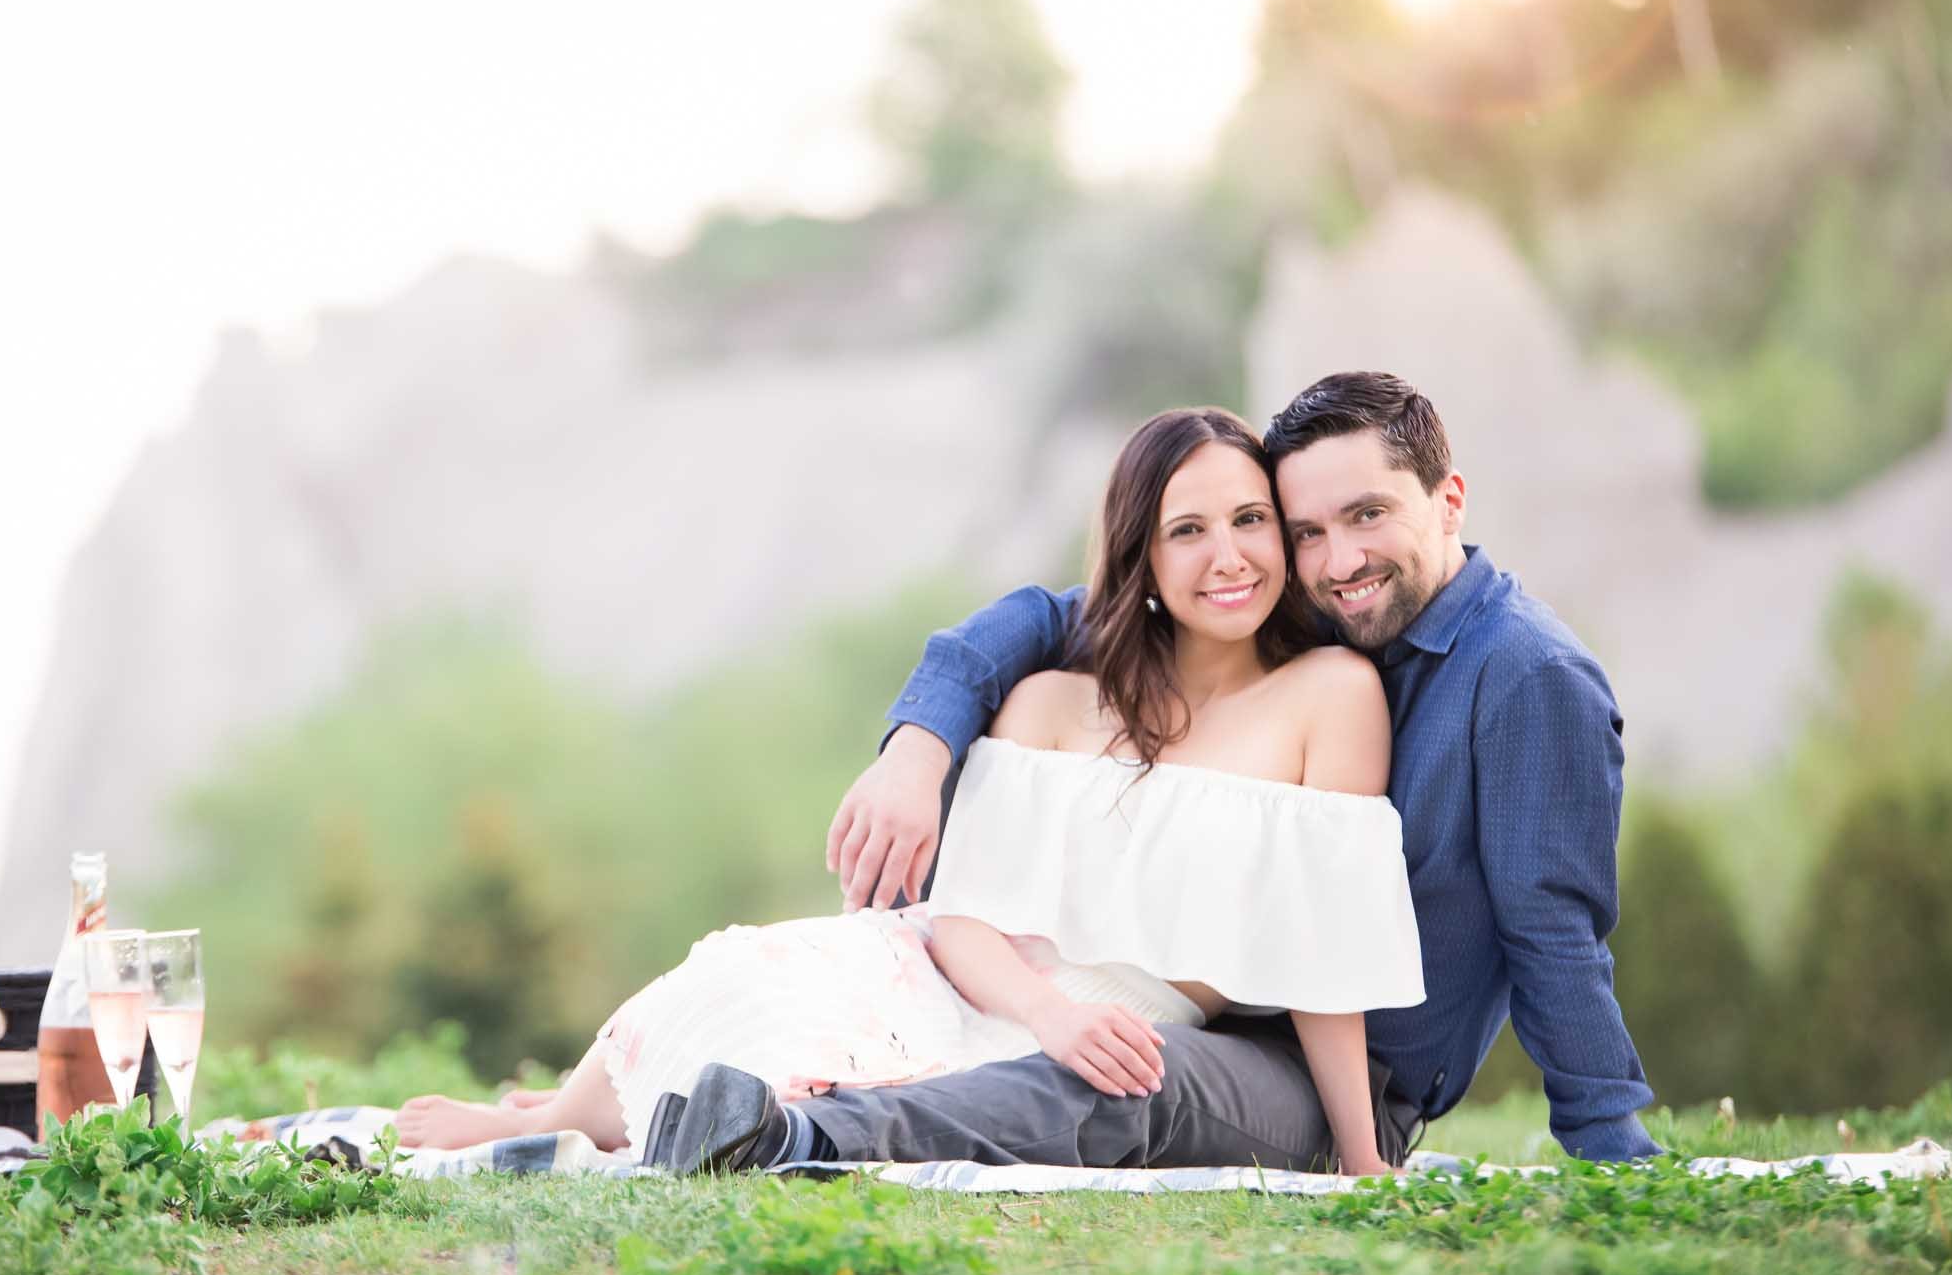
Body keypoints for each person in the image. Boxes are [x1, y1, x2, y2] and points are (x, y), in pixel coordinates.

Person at [394, 405, 1425, 1174]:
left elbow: (1320, 947)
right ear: (1142, 557)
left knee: (887, 1076)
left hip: (1122, 1022)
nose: (1229, 555)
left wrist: (1360, 1157)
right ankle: (554, 1115)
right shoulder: (1054, 703)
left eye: (1250, 519)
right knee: (762, 965)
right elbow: (962, 918)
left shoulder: (1328, 696)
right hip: (986, 981)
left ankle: (651, 1125)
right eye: (1186, 529)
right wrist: (1045, 1006)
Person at [708, 369, 1658, 1175]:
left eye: (1368, 515)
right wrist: (917, 746)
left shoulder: (1528, 676)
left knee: (1131, 1072)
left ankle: (800, 1137)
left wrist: (1608, 1144)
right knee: (841, 979)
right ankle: (593, 1116)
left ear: (1448, 500)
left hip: (1328, 1067)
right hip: (1204, 1005)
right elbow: (1050, 619)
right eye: (1306, 530)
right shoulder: (1319, 600)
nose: (1338, 558)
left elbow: (1553, 931)